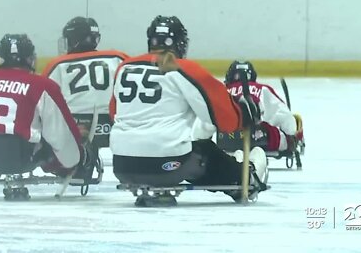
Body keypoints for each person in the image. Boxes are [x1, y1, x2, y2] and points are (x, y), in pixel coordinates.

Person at [109, 15, 268, 201]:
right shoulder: (182, 68)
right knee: (204, 151)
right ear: (180, 43)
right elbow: (225, 119)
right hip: (168, 166)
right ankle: (245, 178)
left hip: (122, 165)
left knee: (186, 148)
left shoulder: (124, 67)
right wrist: (244, 114)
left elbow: (114, 114)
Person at [0, 33, 93, 180]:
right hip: (21, 159)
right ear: (29, 58)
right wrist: (77, 156)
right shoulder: (42, 85)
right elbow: (60, 133)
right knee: (55, 140)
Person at [42, 16, 129, 170]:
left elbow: (43, 100)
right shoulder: (118, 58)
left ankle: (75, 164)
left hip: (76, 129)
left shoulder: (58, 64)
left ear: (74, 39)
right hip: (115, 126)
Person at [223, 60, 304, 153]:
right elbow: (284, 115)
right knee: (287, 128)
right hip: (260, 139)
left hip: (226, 139)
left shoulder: (223, 90)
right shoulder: (263, 88)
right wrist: (291, 136)